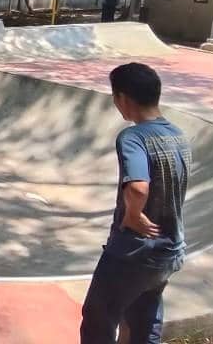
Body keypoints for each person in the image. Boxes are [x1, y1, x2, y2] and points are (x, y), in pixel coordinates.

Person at [81, 63, 191, 344]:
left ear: (123, 99)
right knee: (145, 319)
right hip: (170, 250)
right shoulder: (178, 135)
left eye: (115, 98)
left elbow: (139, 187)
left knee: (99, 317)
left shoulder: (133, 137)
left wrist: (133, 215)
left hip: (132, 252)